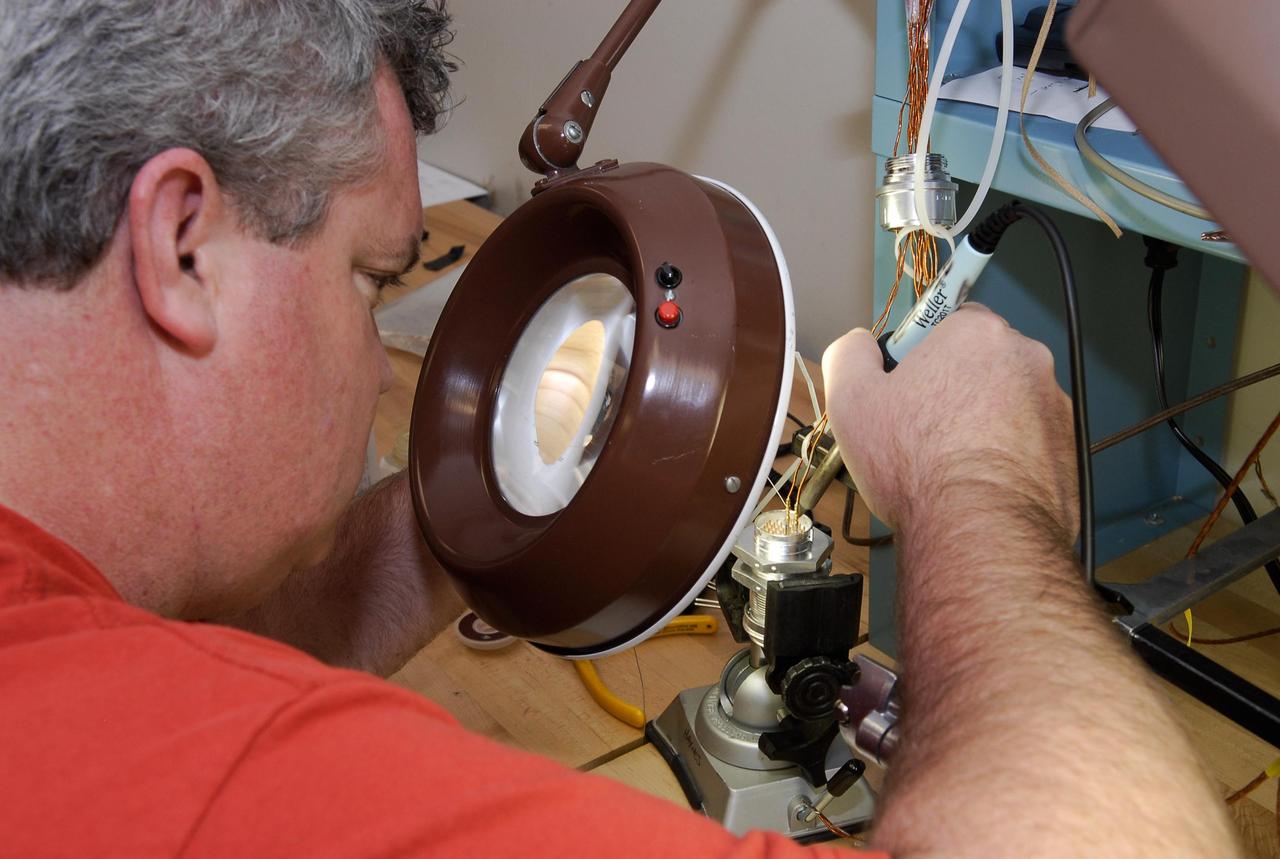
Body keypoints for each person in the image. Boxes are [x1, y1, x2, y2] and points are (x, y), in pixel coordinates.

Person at [0, 1, 1243, 856]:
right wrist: (978, 475)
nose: (383, 356)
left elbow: (210, 662)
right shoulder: (208, 771)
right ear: (182, 245)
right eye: (374, 279)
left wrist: (514, 480)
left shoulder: (79, 663)